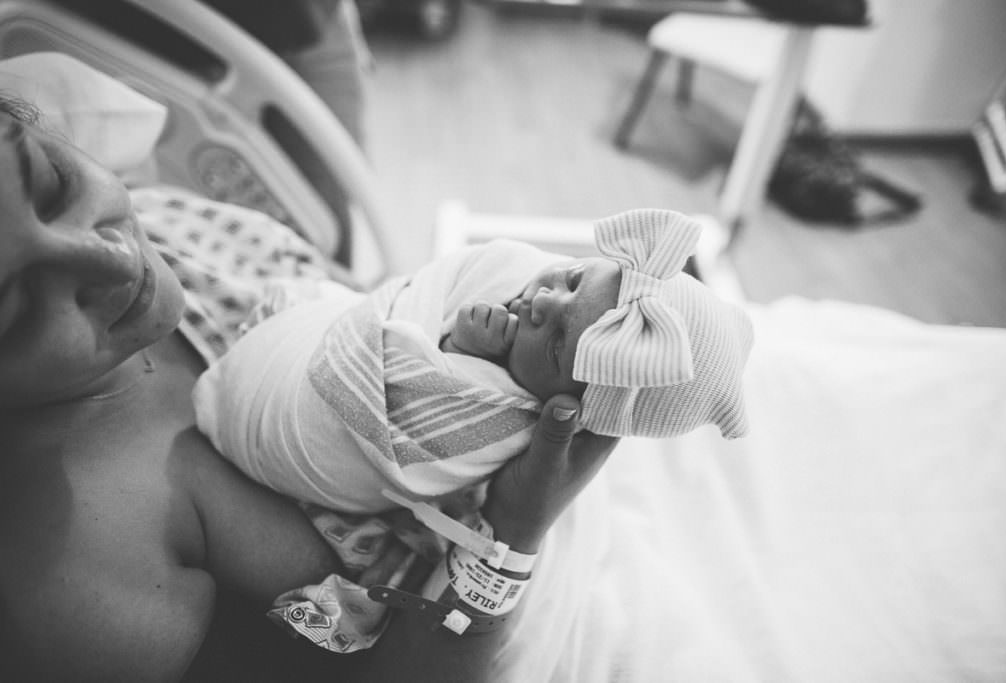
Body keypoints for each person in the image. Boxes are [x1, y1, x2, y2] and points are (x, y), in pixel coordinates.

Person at [0, 97, 618, 681]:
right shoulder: (78, 577)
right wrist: (512, 529)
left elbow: (355, 306)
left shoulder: (170, 221)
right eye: (16, 302)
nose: (107, 259)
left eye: (51, 185)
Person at [193, 209, 754, 522]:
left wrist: (463, 350)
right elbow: (429, 288)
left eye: (557, 343)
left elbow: (417, 404)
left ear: (578, 411)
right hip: (303, 355)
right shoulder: (519, 279)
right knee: (327, 296)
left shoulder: (512, 411)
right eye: (574, 280)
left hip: (317, 419)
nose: (543, 302)